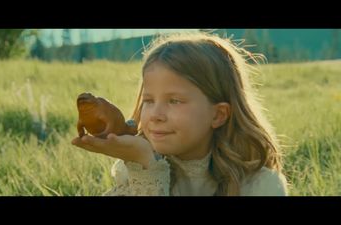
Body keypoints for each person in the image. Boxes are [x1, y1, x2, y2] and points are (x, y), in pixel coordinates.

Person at [72, 31, 288, 196]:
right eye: (148, 100)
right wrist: (146, 167)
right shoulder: (133, 167)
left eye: (174, 101)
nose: (155, 115)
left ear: (218, 115)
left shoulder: (259, 185)